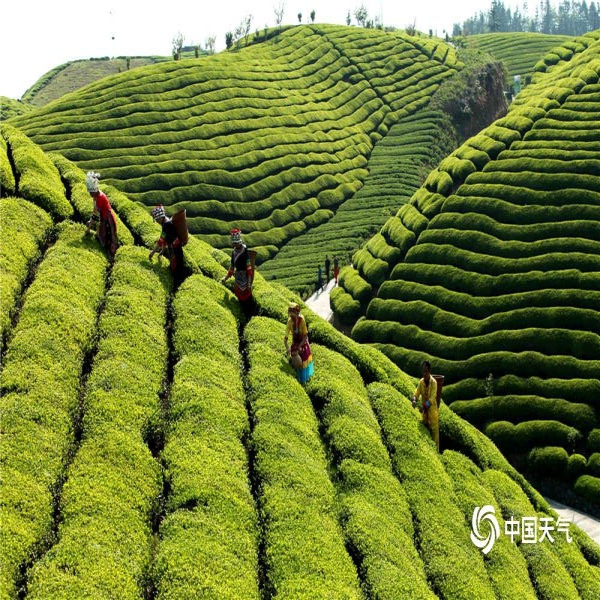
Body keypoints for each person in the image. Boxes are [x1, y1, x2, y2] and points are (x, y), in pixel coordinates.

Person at [221, 228, 255, 317]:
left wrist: (248, 283)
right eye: (234, 244)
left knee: (248, 302)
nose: (235, 245)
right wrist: (225, 278)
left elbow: (249, 267)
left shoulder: (244, 250)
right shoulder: (234, 252)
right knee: (240, 302)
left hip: (245, 277)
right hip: (238, 279)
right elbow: (232, 267)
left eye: (236, 243)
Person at [85, 171, 118, 260]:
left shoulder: (100, 197)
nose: (90, 194)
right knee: (103, 236)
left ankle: (112, 258)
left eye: (90, 192)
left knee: (111, 238)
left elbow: (96, 215)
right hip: (104, 217)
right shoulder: (96, 196)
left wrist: (90, 225)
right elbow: (95, 211)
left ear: (93, 192)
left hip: (108, 218)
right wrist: (90, 222)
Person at [149, 205, 185, 283]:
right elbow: (165, 238)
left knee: (176, 269)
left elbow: (161, 239)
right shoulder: (165, 222)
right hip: (173, 248)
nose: (157, 221)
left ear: (161, 217)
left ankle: (178, 285)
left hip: (176, 249)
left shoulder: (166, 224)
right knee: (174, 267)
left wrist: (153, 252)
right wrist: (162, 249)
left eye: (157, 219)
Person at [412, 360, 440, 452]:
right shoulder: (421, 382)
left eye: (426, 371)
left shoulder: (434, 383)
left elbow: (432, 399)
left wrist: (424, 407)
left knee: (434, 439)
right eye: (423, 371)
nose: (424, 373)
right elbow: (417, 392)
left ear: (429, 372)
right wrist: (414, 399)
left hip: (432, 414)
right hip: (425, 415)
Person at [284, 303, 314, 384]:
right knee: (295, 360)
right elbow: (285, 338)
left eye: (293, 316)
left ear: (297, 314)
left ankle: (305, 380)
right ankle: (298, 379)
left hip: (302, 342)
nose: (292, 318)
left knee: (304, 357)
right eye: (291, 316)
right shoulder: (289, 322)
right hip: (295, 342)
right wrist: (287, 348)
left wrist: (299, 346)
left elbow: (305, 336)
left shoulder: (302, 320)